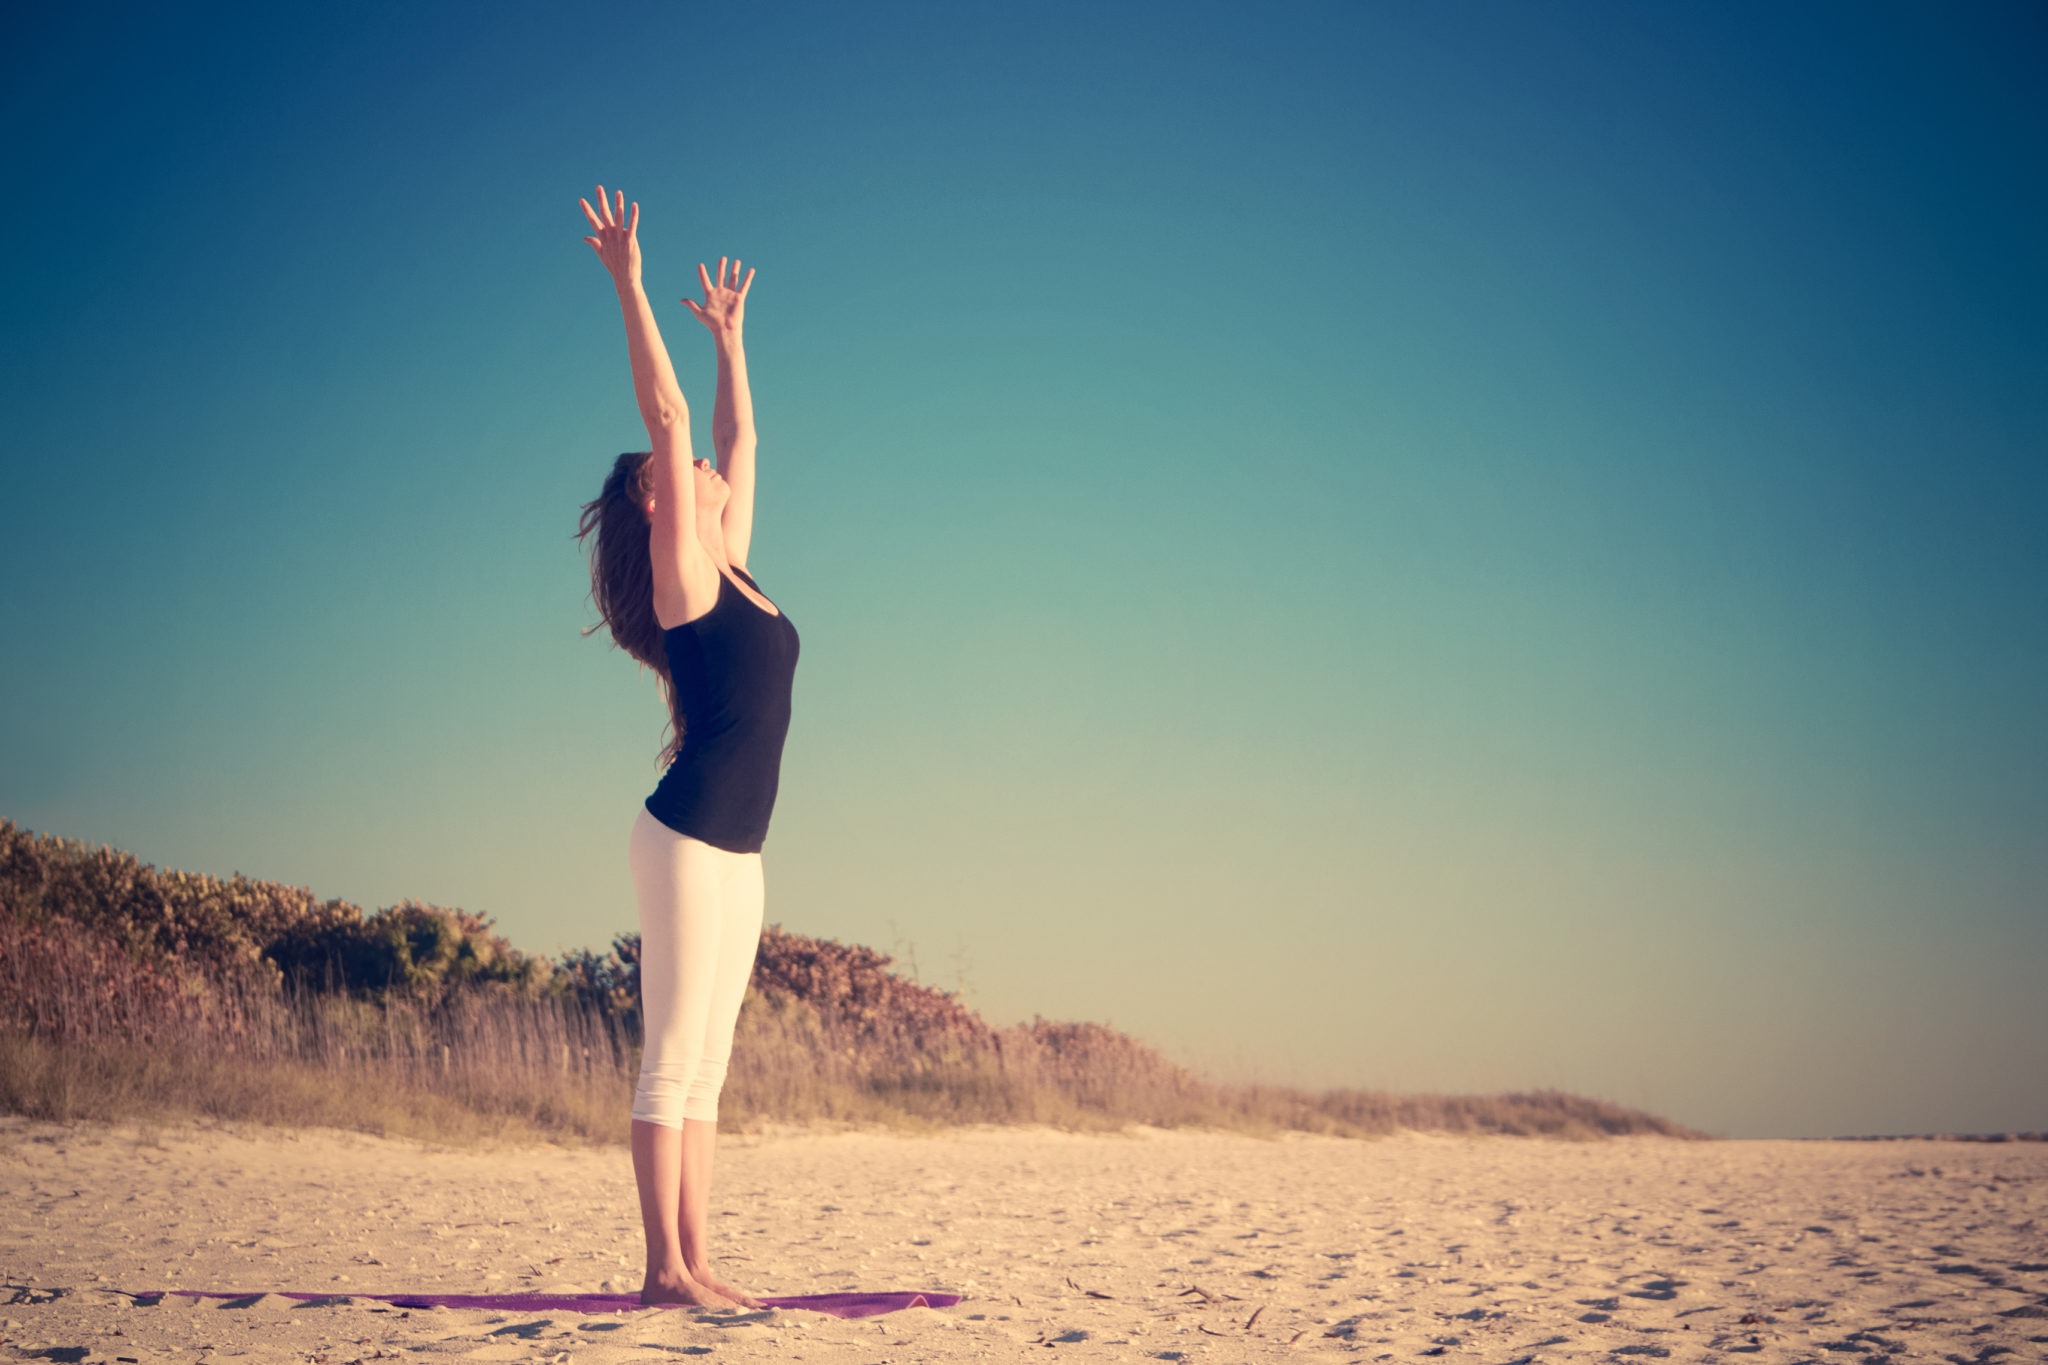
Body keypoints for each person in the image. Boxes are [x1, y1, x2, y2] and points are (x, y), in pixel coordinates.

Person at [573, 185, 800, 1310]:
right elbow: (669, 422)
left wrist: (732, 343)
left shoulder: (737, 565)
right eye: (673, 471)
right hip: (685, 840)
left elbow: (734, 433)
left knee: (708, 1065)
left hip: (738, 851)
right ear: (659, 505)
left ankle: (699, 1261)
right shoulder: (686, 578)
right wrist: (627, 279)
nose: (701, 467)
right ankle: (661, 1271)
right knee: (669, 1055)